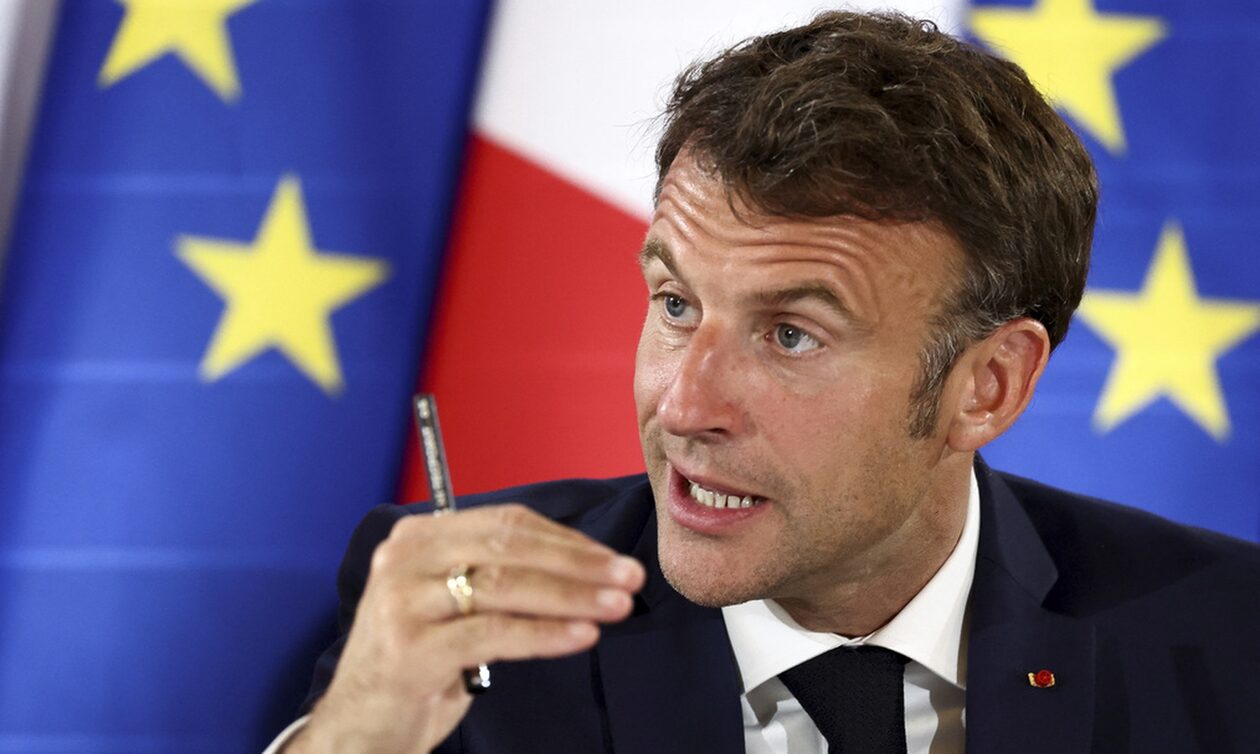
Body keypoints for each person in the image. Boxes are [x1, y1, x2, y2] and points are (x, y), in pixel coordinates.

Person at [270, 10, 1260, 754]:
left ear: (988, 386)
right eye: (676, 304)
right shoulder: (470, 637)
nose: (683, 407)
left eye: (790, 335)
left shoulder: (1228, 636)